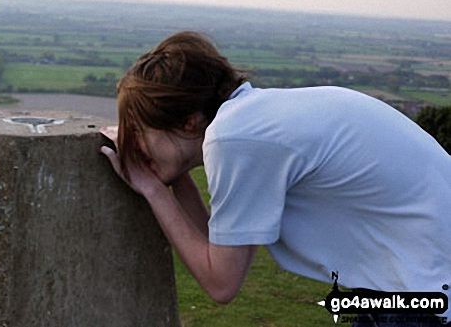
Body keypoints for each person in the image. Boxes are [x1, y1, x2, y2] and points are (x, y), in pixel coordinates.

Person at [100, 31, 451, 326]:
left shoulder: (236, 137)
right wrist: (172, 180)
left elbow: (221, 283)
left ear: (188, 121)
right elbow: (219, 246)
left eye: (139, 130)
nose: (135, 144)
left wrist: (151, 188)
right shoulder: (254, 118)